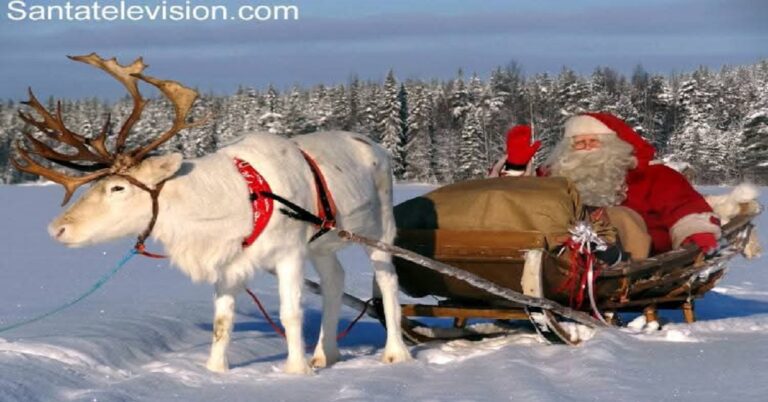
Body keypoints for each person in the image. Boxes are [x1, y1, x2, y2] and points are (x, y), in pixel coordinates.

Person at [502, 112, 720, 256]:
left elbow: (684, 207)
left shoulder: (654, 176)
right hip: (558, 256)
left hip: (635, 259)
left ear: (615, 145)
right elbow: (516, 205)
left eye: (594, 141)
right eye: (578, 143)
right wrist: (516, 167)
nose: (587, 148)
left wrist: (697, 237)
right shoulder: (553, 177)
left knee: (621, 217)